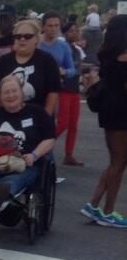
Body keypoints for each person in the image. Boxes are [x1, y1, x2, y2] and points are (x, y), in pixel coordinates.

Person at [0, 75, 56, 215]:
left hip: (25, 163)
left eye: (14, 91)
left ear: (22, 93)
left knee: (11, 180)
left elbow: (50, 138)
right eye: (6, 92)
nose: (10, 95)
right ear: (0, 97)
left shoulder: (37, 112)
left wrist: (34, 155)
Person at [81, 14, 127, 228]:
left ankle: (94, 203)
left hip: (110, 109)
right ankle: (107, 211)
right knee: (118, 163)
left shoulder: (108, 53)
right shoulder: (123, 55)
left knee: (116, 161)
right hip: (120, 111)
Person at [0, 18, 61, 115]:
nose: (22, 39)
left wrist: (45, 117)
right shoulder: (2, 62)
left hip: (37, 119)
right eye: (18, 36)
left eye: (27, 36)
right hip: (7, 119)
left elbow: (53, 92)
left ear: (36, 39)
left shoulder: (47, 61)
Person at [58, 22, 85, 166]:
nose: (74, 33)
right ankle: (43, 145)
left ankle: (69, 155)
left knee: (73, 125)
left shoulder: (76, 49)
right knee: (63, 123)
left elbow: (79, 67)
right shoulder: (62, 48)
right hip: (64, 89)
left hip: (74, 89)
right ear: (65, 33)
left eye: (76, 30)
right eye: (71, 31)